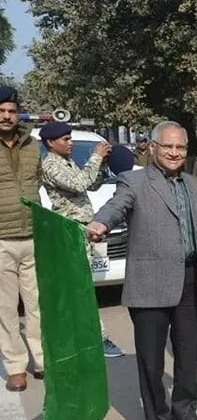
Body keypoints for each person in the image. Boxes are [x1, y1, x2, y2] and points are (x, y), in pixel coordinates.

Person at [88, 121, 197, 420]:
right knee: (151, 359)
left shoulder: (195, 186)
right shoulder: (133, 181)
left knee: (187, 355)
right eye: (168, 146)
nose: (174, 153)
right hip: (150, 283)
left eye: (180, 147)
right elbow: (117, 206)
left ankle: (185, 411)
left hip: (190, 281)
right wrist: (101, 222)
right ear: (153, 147)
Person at [38, 121, 126, 357]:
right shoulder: (50, 165)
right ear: (50, 143)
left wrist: (102, 164)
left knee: (78, 287)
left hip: (82, 230)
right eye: (65, 139)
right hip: (68, 231)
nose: (71, 143)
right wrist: (95, 157)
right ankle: (97, 339)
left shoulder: (68, 162)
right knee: (81, 288)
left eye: (70, 138)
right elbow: (78, 184)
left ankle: (74, 338)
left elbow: (92, 185)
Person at [0, 87, 43, 391]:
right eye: (2, 111)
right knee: (5, 308)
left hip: (32, 236)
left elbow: (37, 181)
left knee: (36, 304)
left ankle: (42, 359)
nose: (6, 116)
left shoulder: (32, 145)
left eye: (11, 111)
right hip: (2, 239)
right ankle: (15, 366)